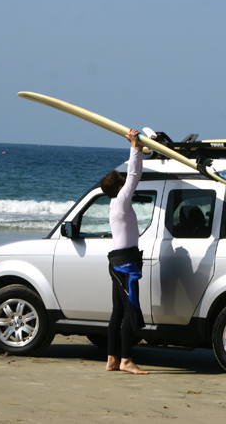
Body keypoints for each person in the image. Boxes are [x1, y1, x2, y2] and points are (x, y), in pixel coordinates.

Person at [100, 129, 148, 375]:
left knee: (118, 311)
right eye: (124, 185)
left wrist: (138, 149)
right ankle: (126, 359)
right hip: (126, 265)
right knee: (131, 309)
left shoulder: (113, 203)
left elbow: (132, 175)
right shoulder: (120, 201)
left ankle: (111, 359)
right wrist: (133, 145)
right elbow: (133, 175)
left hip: (119, 262)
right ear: (120, 188)